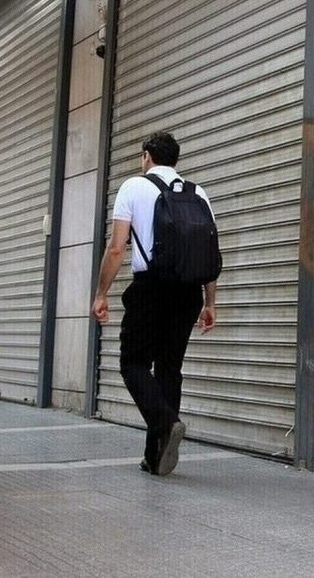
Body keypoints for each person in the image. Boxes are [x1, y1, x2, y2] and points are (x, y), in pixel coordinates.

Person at [92, 131, 218, 476]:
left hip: (151, 288)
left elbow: (116, 248)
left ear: (146, 156)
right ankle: (155, 456)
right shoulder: (198, 193)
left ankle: (166, 421)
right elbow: (209, 251)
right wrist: (210, 302)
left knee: (133, 363)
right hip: (189, 292)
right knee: (168, 368)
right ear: (176, 159)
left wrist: (101, 293)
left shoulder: (134, 187)